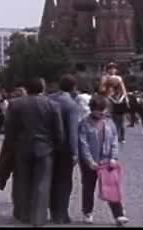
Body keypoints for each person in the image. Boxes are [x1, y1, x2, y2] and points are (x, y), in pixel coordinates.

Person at [0, 78, 64, 226]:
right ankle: (38, 217)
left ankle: (23, 213)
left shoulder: (15, 104)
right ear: (42, 88)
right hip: (45, 148)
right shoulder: (53, 105)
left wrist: (9, 147)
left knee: (22, 180)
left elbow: (9, 130)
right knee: (42, 182)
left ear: (26, 89)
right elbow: (59, 131)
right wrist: (57, 147)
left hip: (21, 147)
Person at [78, 95, 129, 226]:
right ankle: (87, 212)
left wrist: (113, 157)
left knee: (112, 187)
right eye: (98, 110)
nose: (101, 113)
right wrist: (89, 161)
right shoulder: (84, 123)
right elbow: (83, 144)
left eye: (103, 110)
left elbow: (114, 142)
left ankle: (118, 215)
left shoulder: (109, 122)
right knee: (89, 187)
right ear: (92, 109)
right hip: (90, 163)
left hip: (106, 161)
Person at [47, 74, 80, 224]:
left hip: (48, 146)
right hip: (64, 148)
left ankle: (52, 210)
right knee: (64, 181)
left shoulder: (49, 100)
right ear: (74, 87)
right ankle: (61, 214)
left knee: (51, 180)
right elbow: (73, 131)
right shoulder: (71, 104)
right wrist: (75, 153)